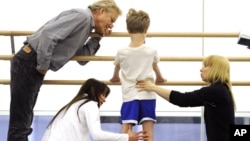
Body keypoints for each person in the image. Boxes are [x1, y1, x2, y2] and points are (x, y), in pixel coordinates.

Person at [7, 0, 122, 140]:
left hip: (32, 62)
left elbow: (83, 58)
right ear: (102, 11)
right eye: (112, 19)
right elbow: (48, 35)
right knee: (20, 122)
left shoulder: (86, 26)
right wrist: (43, 66)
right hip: (31, 60)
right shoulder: (83, 17)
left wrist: (97, 37)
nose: (112, 25)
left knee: (24, 120)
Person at [136, 55, 236, 141]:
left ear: (215, 69)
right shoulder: (221, 89)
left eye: (205, 66)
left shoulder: (216, 90)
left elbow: (183, 99)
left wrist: (153, 87)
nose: (201, 69)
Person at [110, 8, 165, 141]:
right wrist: (160, 77)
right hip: (147, 94)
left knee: (126, 132)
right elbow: (155, 67)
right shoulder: (151, 51)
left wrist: (115, 77)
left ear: (128, 30)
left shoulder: (121, 52)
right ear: (146, 30)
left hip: (130, 95)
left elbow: (117, 68)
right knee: (148, 133)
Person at [41, 78, 148, 141]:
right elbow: (97, 135)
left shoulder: (74, 104)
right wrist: (126, 137)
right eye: (103, 95)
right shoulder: (90, 104)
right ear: (95, 92)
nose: (104, 100)